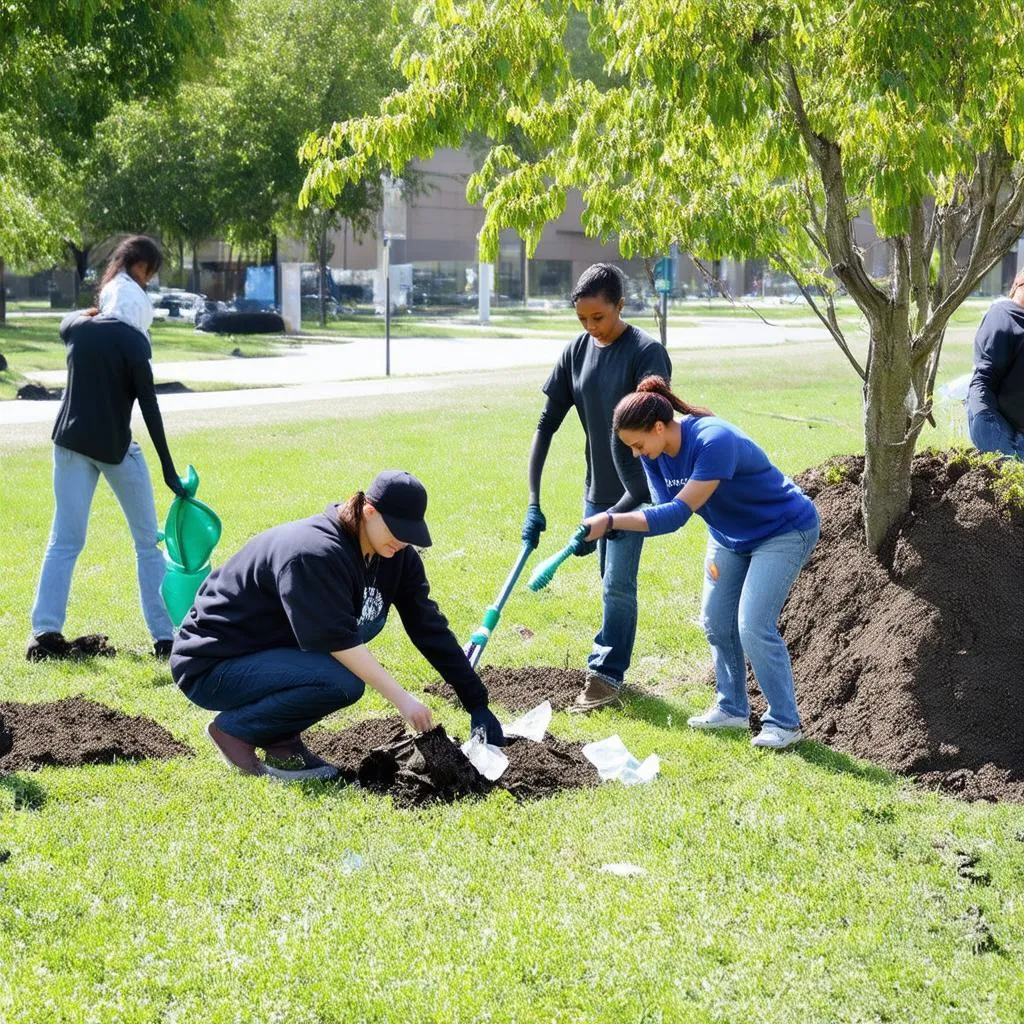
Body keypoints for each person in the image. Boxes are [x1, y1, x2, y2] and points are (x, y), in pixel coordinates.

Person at [170, 471, 505, 777]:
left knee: (339, 675)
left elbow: (428, 627)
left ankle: (279, 740)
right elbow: (338, 642)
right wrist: (403, 700)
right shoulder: (314, 552)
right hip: (212, 665)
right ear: (368, 511)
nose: (404, 542)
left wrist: (476, 701)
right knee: (342, 680)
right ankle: (235, 731)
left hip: (268, 655)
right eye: (398, 531)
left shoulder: (396, 558)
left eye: (411, 534)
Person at [581, 376, 820, 749]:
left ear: (659, 427)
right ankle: (732, 710)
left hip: (782, 530)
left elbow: (676, 515)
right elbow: (663, 510)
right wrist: (614, 523)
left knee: (753, 625)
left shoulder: (713, 440)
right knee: (715, 621)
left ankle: (785, 723)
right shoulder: (655, 456)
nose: (636, 453)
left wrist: (611, 520)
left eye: (638, 444)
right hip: (729, 536)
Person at [27, 235, 186, 663]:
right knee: (145, 542)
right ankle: (165, 636)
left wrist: (92, 311)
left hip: (71, 444)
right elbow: (151, 414)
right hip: (116, 448)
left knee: (64, 540)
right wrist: (170, 473)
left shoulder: (78, 330)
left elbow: (67, 322)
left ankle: (43, 633)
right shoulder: (135, 345)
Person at [521, 264, 672, 712]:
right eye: (583, 320)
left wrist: (607, 519)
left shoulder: (647, 352)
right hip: (598, 487)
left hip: (639, 488)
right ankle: (611, 663)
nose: (591, 328)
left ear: (620, 306)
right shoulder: (576, 352)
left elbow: (654, 441)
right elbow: (547, 425)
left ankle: (606, 676)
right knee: (607, 578)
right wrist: (534, 500)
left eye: (599, 318)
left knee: (618, 584)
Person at [966, 268, 1024, 459]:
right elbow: (984, 381)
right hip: (1011, 436)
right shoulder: (1004, 316)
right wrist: (1006, 448)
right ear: (1017, 284)